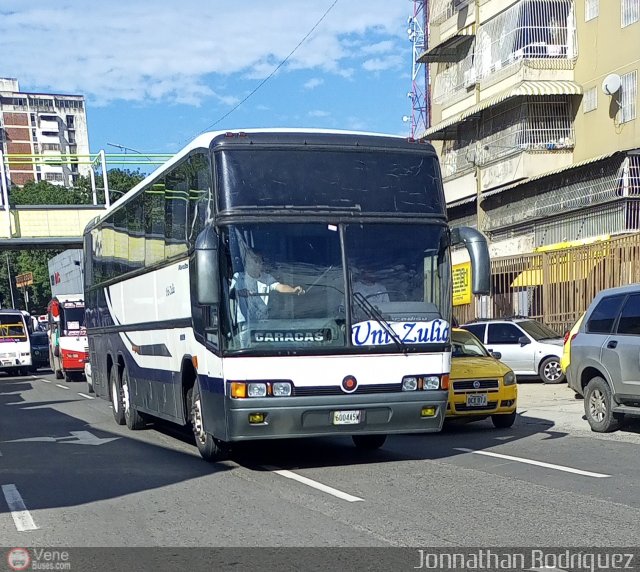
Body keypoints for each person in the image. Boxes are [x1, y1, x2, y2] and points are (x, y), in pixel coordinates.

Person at [230, 248, 304, 326]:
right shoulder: (238, 277)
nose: (257, 264)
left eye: (259, 261)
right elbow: (231, 295)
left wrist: (293, 290)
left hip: (262, 323)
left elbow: (280, 287)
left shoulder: (266, 278)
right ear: (246, 262)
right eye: (255, 261)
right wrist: (239, 292)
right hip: (244, 324)